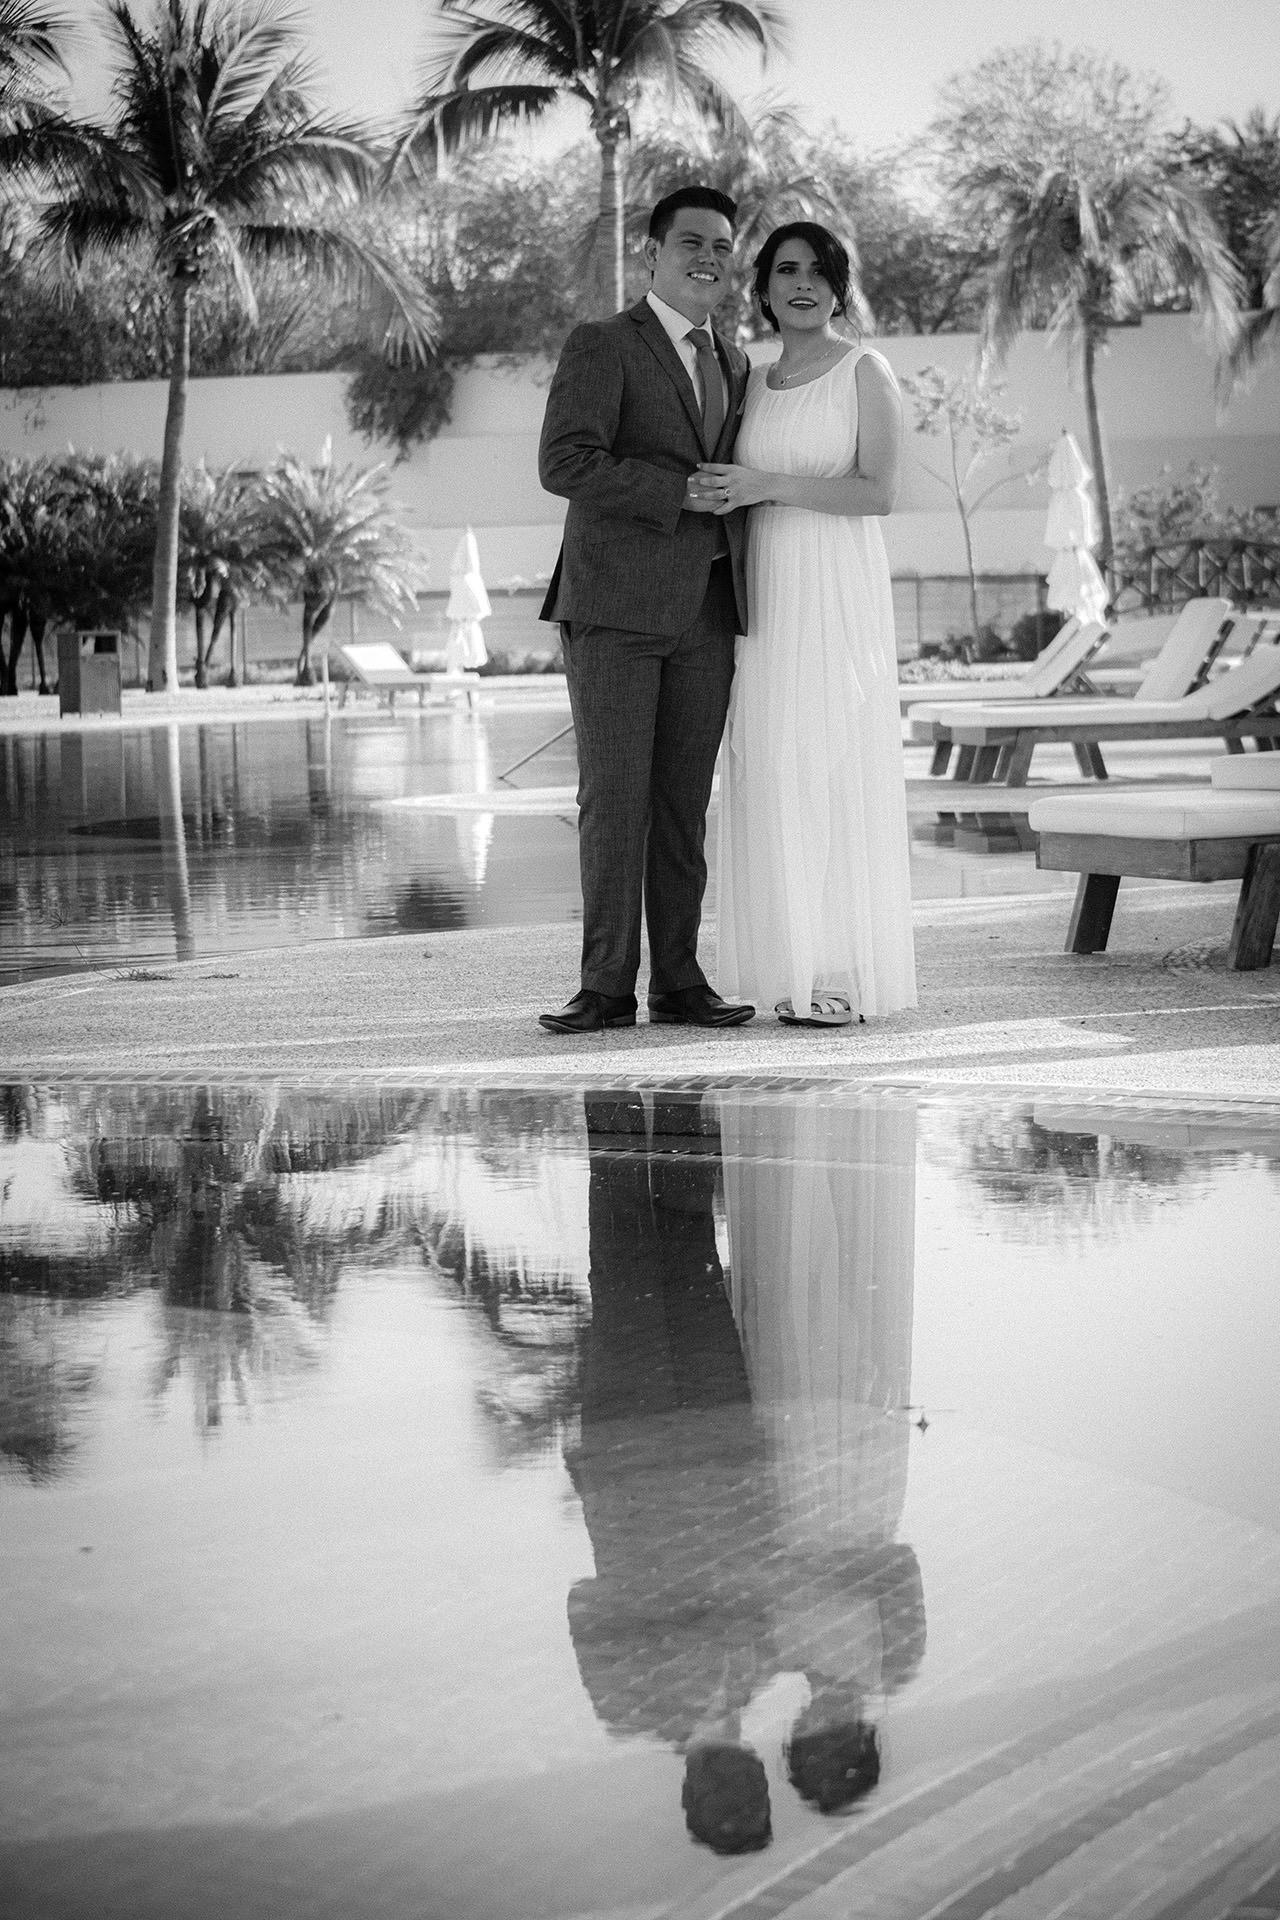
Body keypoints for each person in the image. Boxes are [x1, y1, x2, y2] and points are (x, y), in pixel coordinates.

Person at [536, 186, 756, 1035]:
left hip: (708, 611)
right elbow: (564, 461)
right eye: (692, 241)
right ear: (654, 253)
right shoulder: (603, 343)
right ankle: (603, 986)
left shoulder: (735, 362)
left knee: (682, 806)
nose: (709, 257)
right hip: (614, 610)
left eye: (722, 246)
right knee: (615, 798)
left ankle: (679, 981)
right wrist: (676, 492)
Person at [693, 222, 917, 1027]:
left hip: (834, 586)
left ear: (838, 288)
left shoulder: (865, 370)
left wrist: (766, 484)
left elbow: (878, 493)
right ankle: (788, 967)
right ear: (762, 288)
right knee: (772, 769)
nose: (803, 284)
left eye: (820, 272)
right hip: (766, 596)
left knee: (830, 764)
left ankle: (842, 974)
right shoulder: (750, 380)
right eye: (787, 270)